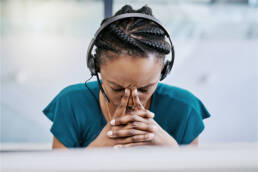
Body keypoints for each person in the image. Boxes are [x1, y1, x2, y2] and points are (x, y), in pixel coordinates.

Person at [43, 5, 210, 149]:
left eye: (144, 89)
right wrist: (95, 150)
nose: (131, 100)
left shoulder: (185, 108)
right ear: (95, 68)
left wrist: (172, 149)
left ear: (164, 72)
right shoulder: (71, 103)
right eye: (117, 88)